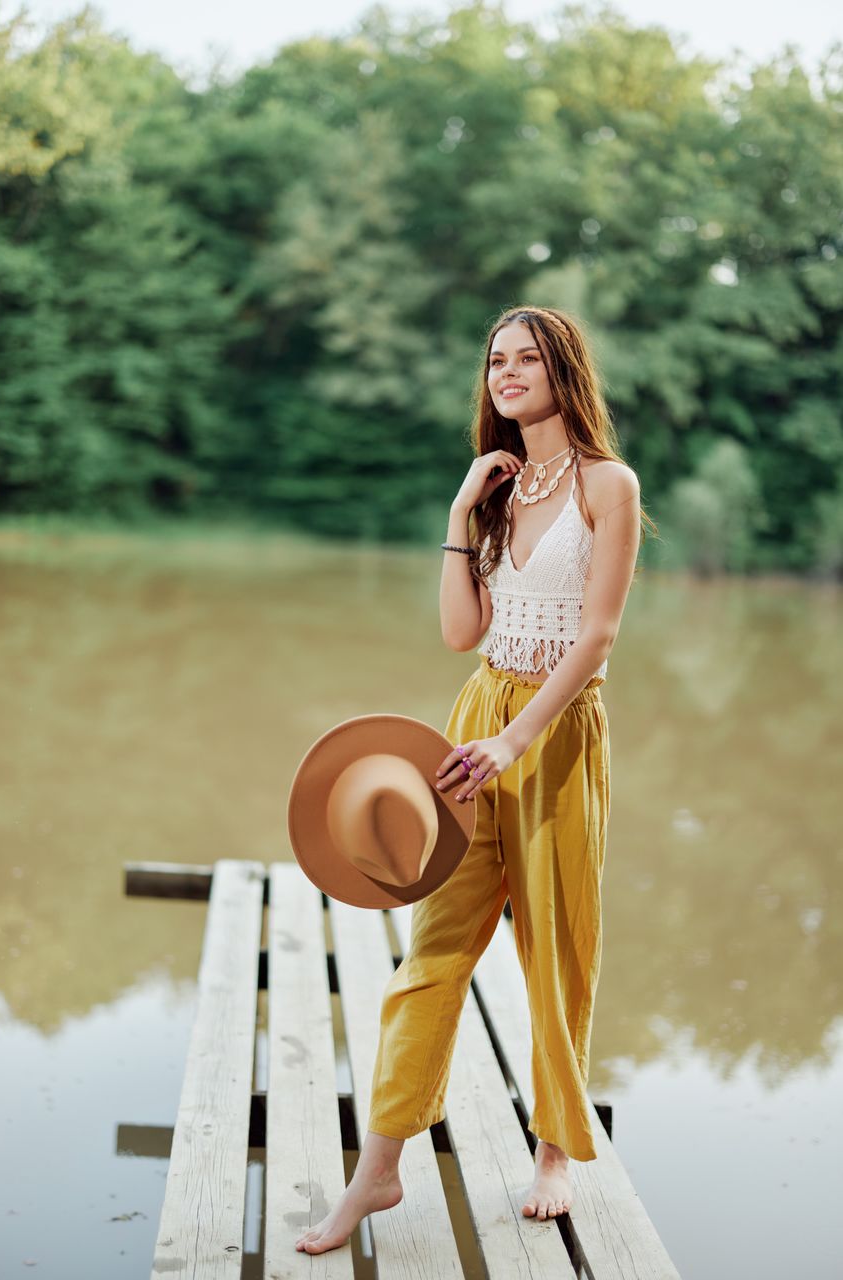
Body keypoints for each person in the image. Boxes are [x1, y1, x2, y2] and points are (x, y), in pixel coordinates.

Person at [295, 304, 652, 1256]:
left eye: (527, 358)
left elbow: (598, 636)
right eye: (496, 360)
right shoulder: (494, 490)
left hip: (559, 735)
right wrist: (460, 513)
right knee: (433, 948)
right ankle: (376, 1168)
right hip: (476, 721)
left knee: (555, 947)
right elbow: (460, 632)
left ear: (564, 371)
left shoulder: (607, 486)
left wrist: (519, 742)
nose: (506, 372)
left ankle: (554, 1151)